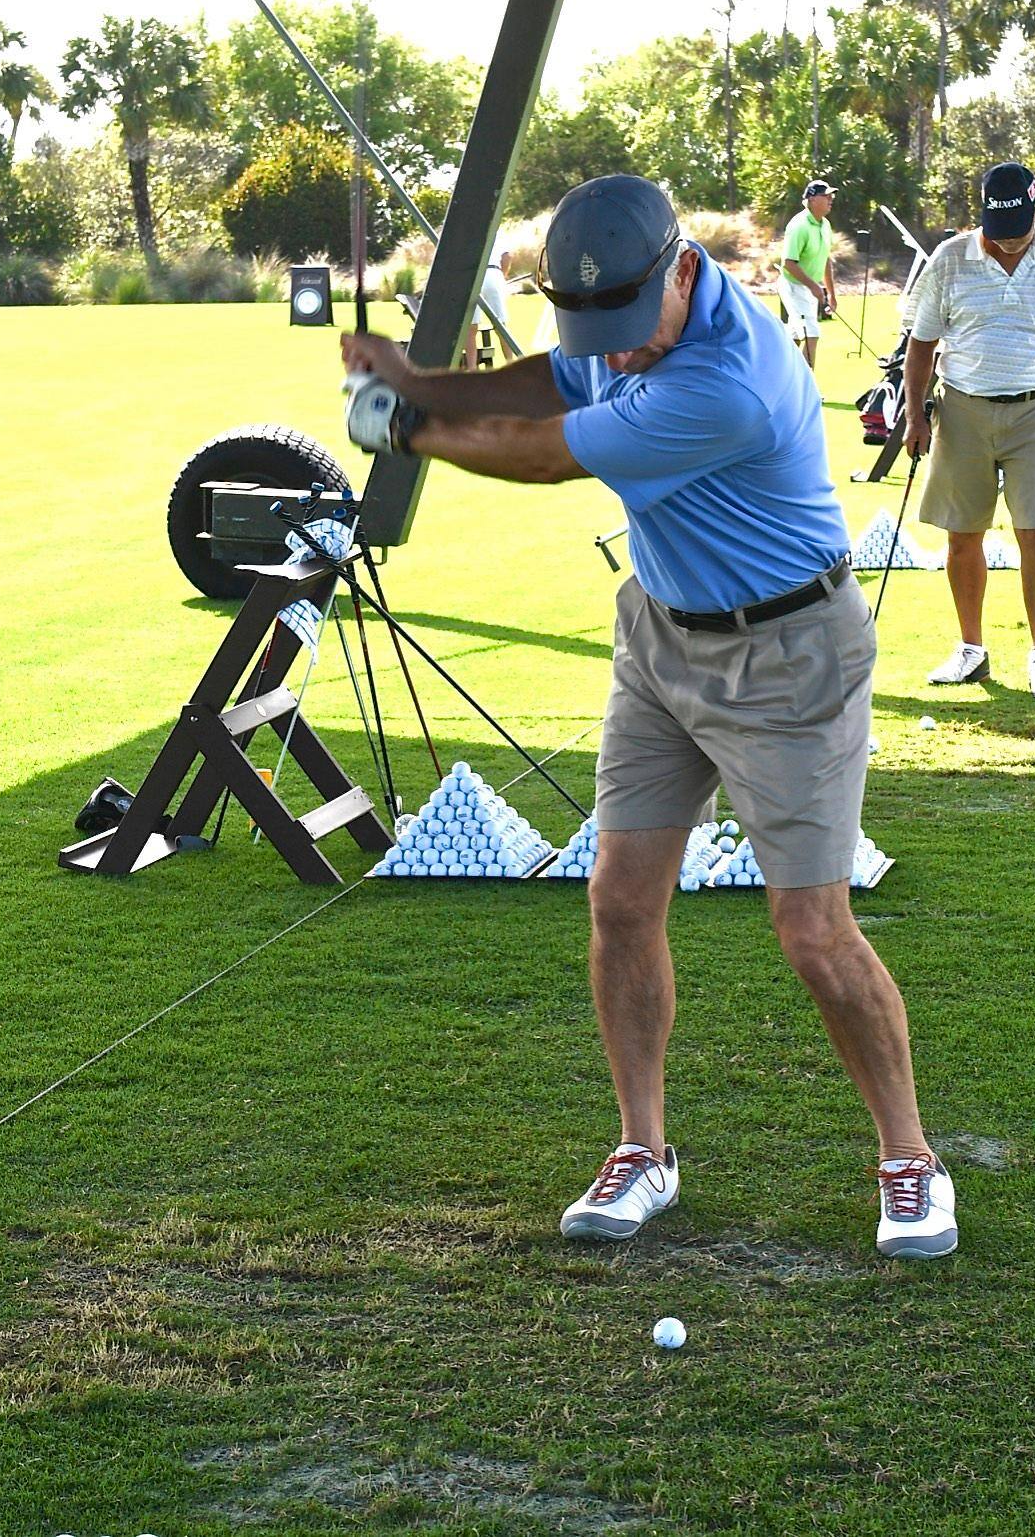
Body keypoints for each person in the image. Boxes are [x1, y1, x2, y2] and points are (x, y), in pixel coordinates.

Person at [341, 174, 956, 1263]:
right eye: (599, 331)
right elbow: (554, 377)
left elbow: (548, 450)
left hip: (790, 657)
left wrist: (410, 427)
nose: (615, 352)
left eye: (628, 331)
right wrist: (425, 377)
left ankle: (909, 1157)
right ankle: (643, 1150)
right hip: (662, 637)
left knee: (811, 933)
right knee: (620, 896)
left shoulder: (731, 379)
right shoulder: (629, 316)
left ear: (685, 270)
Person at [901, 162, 1035, 699]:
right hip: (963, 410)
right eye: (998, 234)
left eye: (1017, 231)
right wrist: (913, 415)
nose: (1007, 245)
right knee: (962, 534)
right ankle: (970, 650)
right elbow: (922, 343)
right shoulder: (950, 260)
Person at [778, 178, 837, 371]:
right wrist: (813, 286)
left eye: (831, 195)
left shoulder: (825, 225)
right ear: (811, 199)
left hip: (809, 289)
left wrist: (831, 294)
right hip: (794, 287)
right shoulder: (799, 226)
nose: (830, 199)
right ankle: (806, 389)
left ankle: (785, 382)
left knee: (794, 336)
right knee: (812, 333)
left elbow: (825, 259)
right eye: (825, 195)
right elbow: (788, 263)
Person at [462, 230, 512, 372]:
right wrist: (503, 275)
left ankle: (472, 369)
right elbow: (507, 257)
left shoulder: (465, 231)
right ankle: (511, 363)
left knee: (471, 328)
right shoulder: (495, 230)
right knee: (501, 325)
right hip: (494, 273)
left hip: (473, 274)